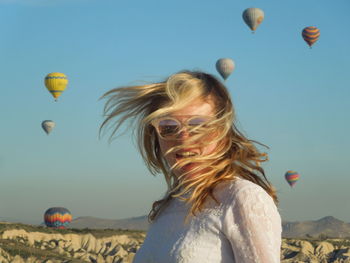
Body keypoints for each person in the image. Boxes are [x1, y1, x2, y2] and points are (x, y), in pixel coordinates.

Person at [100, 70, 282, 263]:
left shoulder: (243, 198)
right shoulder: (169, 206)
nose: (183, 138)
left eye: (198, 126)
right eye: (168, 127)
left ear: (223, 131)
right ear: (155, 136)